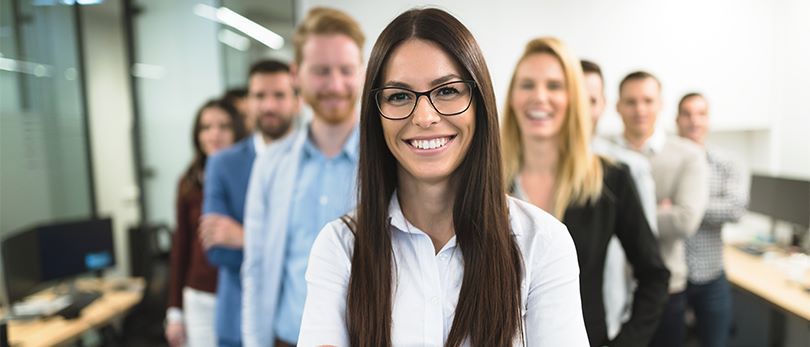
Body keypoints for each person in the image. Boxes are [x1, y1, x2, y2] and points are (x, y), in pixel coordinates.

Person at [298, 9, 589, 346]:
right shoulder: (340, 247)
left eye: (448, 91)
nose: (424, 116)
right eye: (399, 96)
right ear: (375, 115)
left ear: (479, 103)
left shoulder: (542, 242)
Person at [501, 37, 670, 346]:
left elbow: (654, 276)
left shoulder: (611, 180)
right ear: (512, 96)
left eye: (554, 86)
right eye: (527, 85)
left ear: (574, 99)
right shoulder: (487, 181)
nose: (539, 97)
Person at [241, 7, 364, 347]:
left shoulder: (389, 160)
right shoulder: (270, 164)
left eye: (346, 70)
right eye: (322, 71)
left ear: (362, 72)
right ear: (296, 74)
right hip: (286, 339)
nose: (335, 84)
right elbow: (256, 268)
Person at [201, 60, 299, 347]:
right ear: (248, 103)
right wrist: (285, 246)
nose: (269, 105)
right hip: (236, 322)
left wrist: (245, 237)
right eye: (259, 96)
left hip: (297, 321)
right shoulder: (222, 163)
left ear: (297, 101)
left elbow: (313, 248)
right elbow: (218, 251)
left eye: (279, 95)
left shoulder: (312, 161)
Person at [613, 71, 710, 347]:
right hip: (611, 288)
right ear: (617, 106)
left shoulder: (688, 155)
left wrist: (620, 217)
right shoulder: (602, 156)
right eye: (630, 102)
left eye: (647, 100)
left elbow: (685, 221)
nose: (639, 109)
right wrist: (658, 209)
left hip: (666, 291)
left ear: (661, 104)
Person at [581, 59, 660, 339]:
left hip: (610, 315)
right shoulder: (532, 171)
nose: (580, 110)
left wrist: (630, 332)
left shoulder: (625, 169)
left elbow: (648, 259)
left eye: (590, 100)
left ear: (603, 104)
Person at [166, 99, 246, 347]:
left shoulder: (254, 173)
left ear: (237, 131)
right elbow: (181, 248)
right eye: (206, 127)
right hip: (201, 295)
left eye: (224, 126)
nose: (215, 134)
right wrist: (174, 312)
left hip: (242, 292)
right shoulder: (188, 182)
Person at [676, 92, 748, 347]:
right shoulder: (664, 161)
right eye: (687, 113)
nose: (694, 121)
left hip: (711, 274)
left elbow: (735, 209)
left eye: (701, 113)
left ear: (708, 119)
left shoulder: (727, 164)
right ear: (677, 119)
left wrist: (685, 205)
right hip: (672, 277)